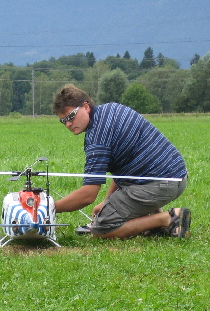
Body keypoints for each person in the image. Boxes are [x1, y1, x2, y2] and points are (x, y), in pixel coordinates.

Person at [52, 84, 191, 239]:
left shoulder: (97, 139)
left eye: (71, 116)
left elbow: (88, 195)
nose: (68, 124)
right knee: (112, 212)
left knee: (102, 230)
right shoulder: (111, 109)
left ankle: (167, 219)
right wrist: (107, 202)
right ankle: (156, 223)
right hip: (177, 174)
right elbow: (123, 168)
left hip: (162, 183)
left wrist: (50, 208)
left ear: (86, 106)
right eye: (63, 121)